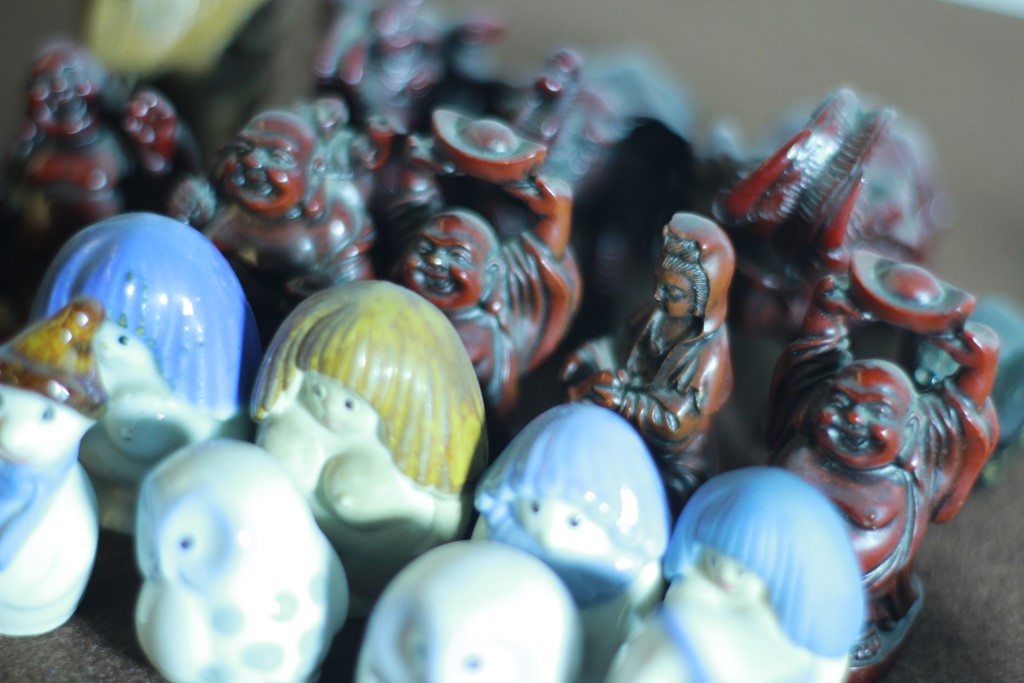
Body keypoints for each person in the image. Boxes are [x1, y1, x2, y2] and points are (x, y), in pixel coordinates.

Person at [767, 268, 998, 671]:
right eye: (840, 402)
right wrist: (824, 314)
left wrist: (980, 370)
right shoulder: (807, 425)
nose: (854, 418)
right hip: (770, 568)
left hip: (857, 595)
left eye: (878, 411)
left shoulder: (922, 451)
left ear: (912, 429)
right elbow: (813, 359)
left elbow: (961, 416)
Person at [562, 213, 733, 509]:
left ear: (702, 301)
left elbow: (676, 422)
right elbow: (619, 345)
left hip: (668, 459)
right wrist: (590, 354)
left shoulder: (709, 355)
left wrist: (625, 402)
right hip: (622, 414)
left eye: (673, 292)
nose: (657, 295)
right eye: (658, 282)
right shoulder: (655, 315)